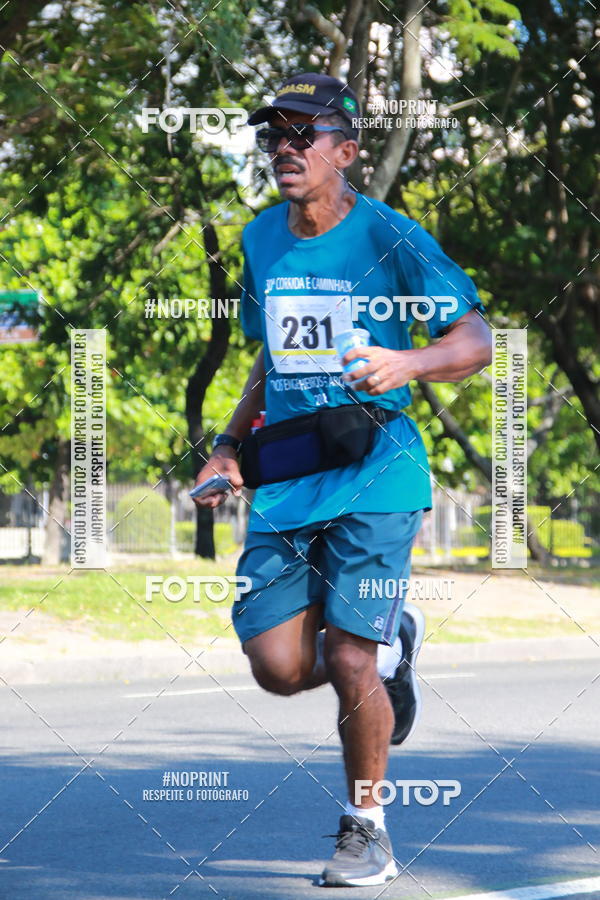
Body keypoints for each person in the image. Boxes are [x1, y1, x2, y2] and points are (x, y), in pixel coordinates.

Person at [193, 72, 491, 887]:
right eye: (273, 136)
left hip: (378, 469)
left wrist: (411, 361)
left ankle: (367, 831)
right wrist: (227, 445)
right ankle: (396, 640)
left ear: (346, 151)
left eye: (304, 134)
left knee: (351, 659)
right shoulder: (261, 239)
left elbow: (476, 340)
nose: (284, 150)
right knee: (281, 668)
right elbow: (269, 358)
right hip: (291, 473)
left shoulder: (392, 237)